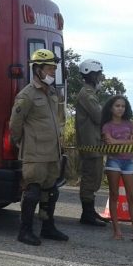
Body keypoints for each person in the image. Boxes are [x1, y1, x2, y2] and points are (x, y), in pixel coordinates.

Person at [9, 49, 68, 246]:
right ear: (38, 69)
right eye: (50, 68)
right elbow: (15, 125)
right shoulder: (27, 95)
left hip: (52, 152)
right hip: (34, 153)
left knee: (51, 191)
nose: (53, 72)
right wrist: (21, 143)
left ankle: (47, 226)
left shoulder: (51, 92)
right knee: (32, 191)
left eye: (54, 69)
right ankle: (24, 231)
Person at [101, 95, 133, 242]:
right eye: (117, 106)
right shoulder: (106, 126)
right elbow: (109, 144)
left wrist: (117, 141)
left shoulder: (130, 124)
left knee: (132, 196)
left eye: (123, 106)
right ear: (111, 108)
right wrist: (128, 141)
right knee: (114, 195)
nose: (120, 108)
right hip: (113, 162)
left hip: (128, 161)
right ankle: (117, 231)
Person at [75, 58, 108, 226]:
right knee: (90, 178)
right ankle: (87, 214)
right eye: (99, 75)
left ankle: (90, 211)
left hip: (94, 144)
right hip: (90, 144)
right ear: (92, 75)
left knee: (94, 178)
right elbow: (99, 116)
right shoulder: (87, 94)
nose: (101, 78)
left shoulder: (90, 93)